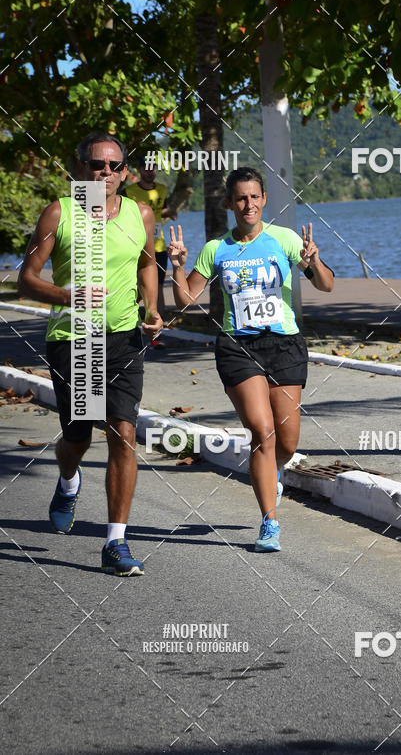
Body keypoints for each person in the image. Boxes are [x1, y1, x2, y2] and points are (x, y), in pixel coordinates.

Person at [167, 166, 334, 552]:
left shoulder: (285, 239)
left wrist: (312, 262)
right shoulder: (216, 249)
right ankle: (269, 522)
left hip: (284, 345)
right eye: (240, 198)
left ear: (263, 200)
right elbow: (186, 301)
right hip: (237, 347)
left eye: (254, 197)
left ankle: (271, 471)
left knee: (287, 444)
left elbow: (326, 285)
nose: (248, 204)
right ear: (229, 203)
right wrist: (176, 267)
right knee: (262, 432)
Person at [18, 131, 163, 576]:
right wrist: (67, 296)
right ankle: (68, 481)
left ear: (125, 172)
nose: (106, 173)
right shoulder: (59, 213)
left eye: (114, 166)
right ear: (81, 168)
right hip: (74, 339)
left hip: (122, 338)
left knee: (123, 432)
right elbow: (26, 278)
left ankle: (115, 542)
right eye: (97, 165)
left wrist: (153, 309)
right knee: (78, 437)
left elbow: (145, 263)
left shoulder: (140, 212)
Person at [124, 156, 175, 320]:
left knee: (158, 285)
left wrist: (170, 213)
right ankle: (125, 311)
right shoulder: (129, 192)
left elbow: (162, 209)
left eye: (153, 168)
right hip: (135, 246)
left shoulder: (162, 189)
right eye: (146, 168)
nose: (149, 171)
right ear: (139, 169)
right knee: (137, 285)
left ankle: (161, 324)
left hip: (158, 246)